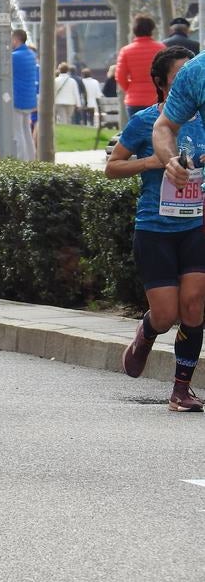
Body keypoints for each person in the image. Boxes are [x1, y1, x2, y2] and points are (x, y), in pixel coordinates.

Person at [107, 47, 204, 412]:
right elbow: (112, 167)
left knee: (194, 305)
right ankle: (147, 333)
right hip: (155, 227)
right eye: (181, 77)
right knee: (165, 315)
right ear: (163, 83)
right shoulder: (147, 121)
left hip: (195, 223)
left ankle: (181, 389)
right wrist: (152, 162)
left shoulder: (202, 118)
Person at [117, 15, 165, 118]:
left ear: (134, 30)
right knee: (158, 132)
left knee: (138, 132)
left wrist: (131, 89)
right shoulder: (161, 49)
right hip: (158, 98)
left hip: (135, 100)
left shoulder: (126, 51)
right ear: (151, 29)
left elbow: (120, 77)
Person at [10, 30, 39, 160]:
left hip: (18, 98)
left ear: (16, 40)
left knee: (18, 132)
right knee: (27, 130)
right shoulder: (31, 55)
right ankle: (31, 158)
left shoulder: (14, 56)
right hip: (29, 99)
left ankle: (21, 159)